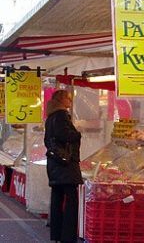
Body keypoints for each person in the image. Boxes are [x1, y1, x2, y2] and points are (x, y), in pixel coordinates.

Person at [44, 90, 83, 243]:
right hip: (66, 166)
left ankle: (56, 235)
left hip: (55, 164)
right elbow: (65, 135)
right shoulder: (61, 115)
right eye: (68, 99)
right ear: (61, 100)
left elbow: (49, 140)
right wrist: (78, 133)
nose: (70, 102)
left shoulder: (50, 116)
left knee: (57, 199)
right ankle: (68, 237)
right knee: (72, 201)